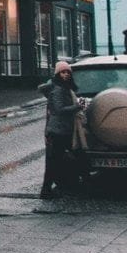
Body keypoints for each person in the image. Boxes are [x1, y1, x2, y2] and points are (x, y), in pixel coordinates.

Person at [40, 59, 83, 199]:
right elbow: (59, 110)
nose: (66, 74)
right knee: (54, 162)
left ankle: (56, 187)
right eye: (63, 72)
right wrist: (78, 107)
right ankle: (46, 191)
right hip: (58, 131)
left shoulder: (64, 87)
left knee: (58, 160)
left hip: (63, 130)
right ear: (58, 74)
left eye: (68, 72)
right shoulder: (58, 90)